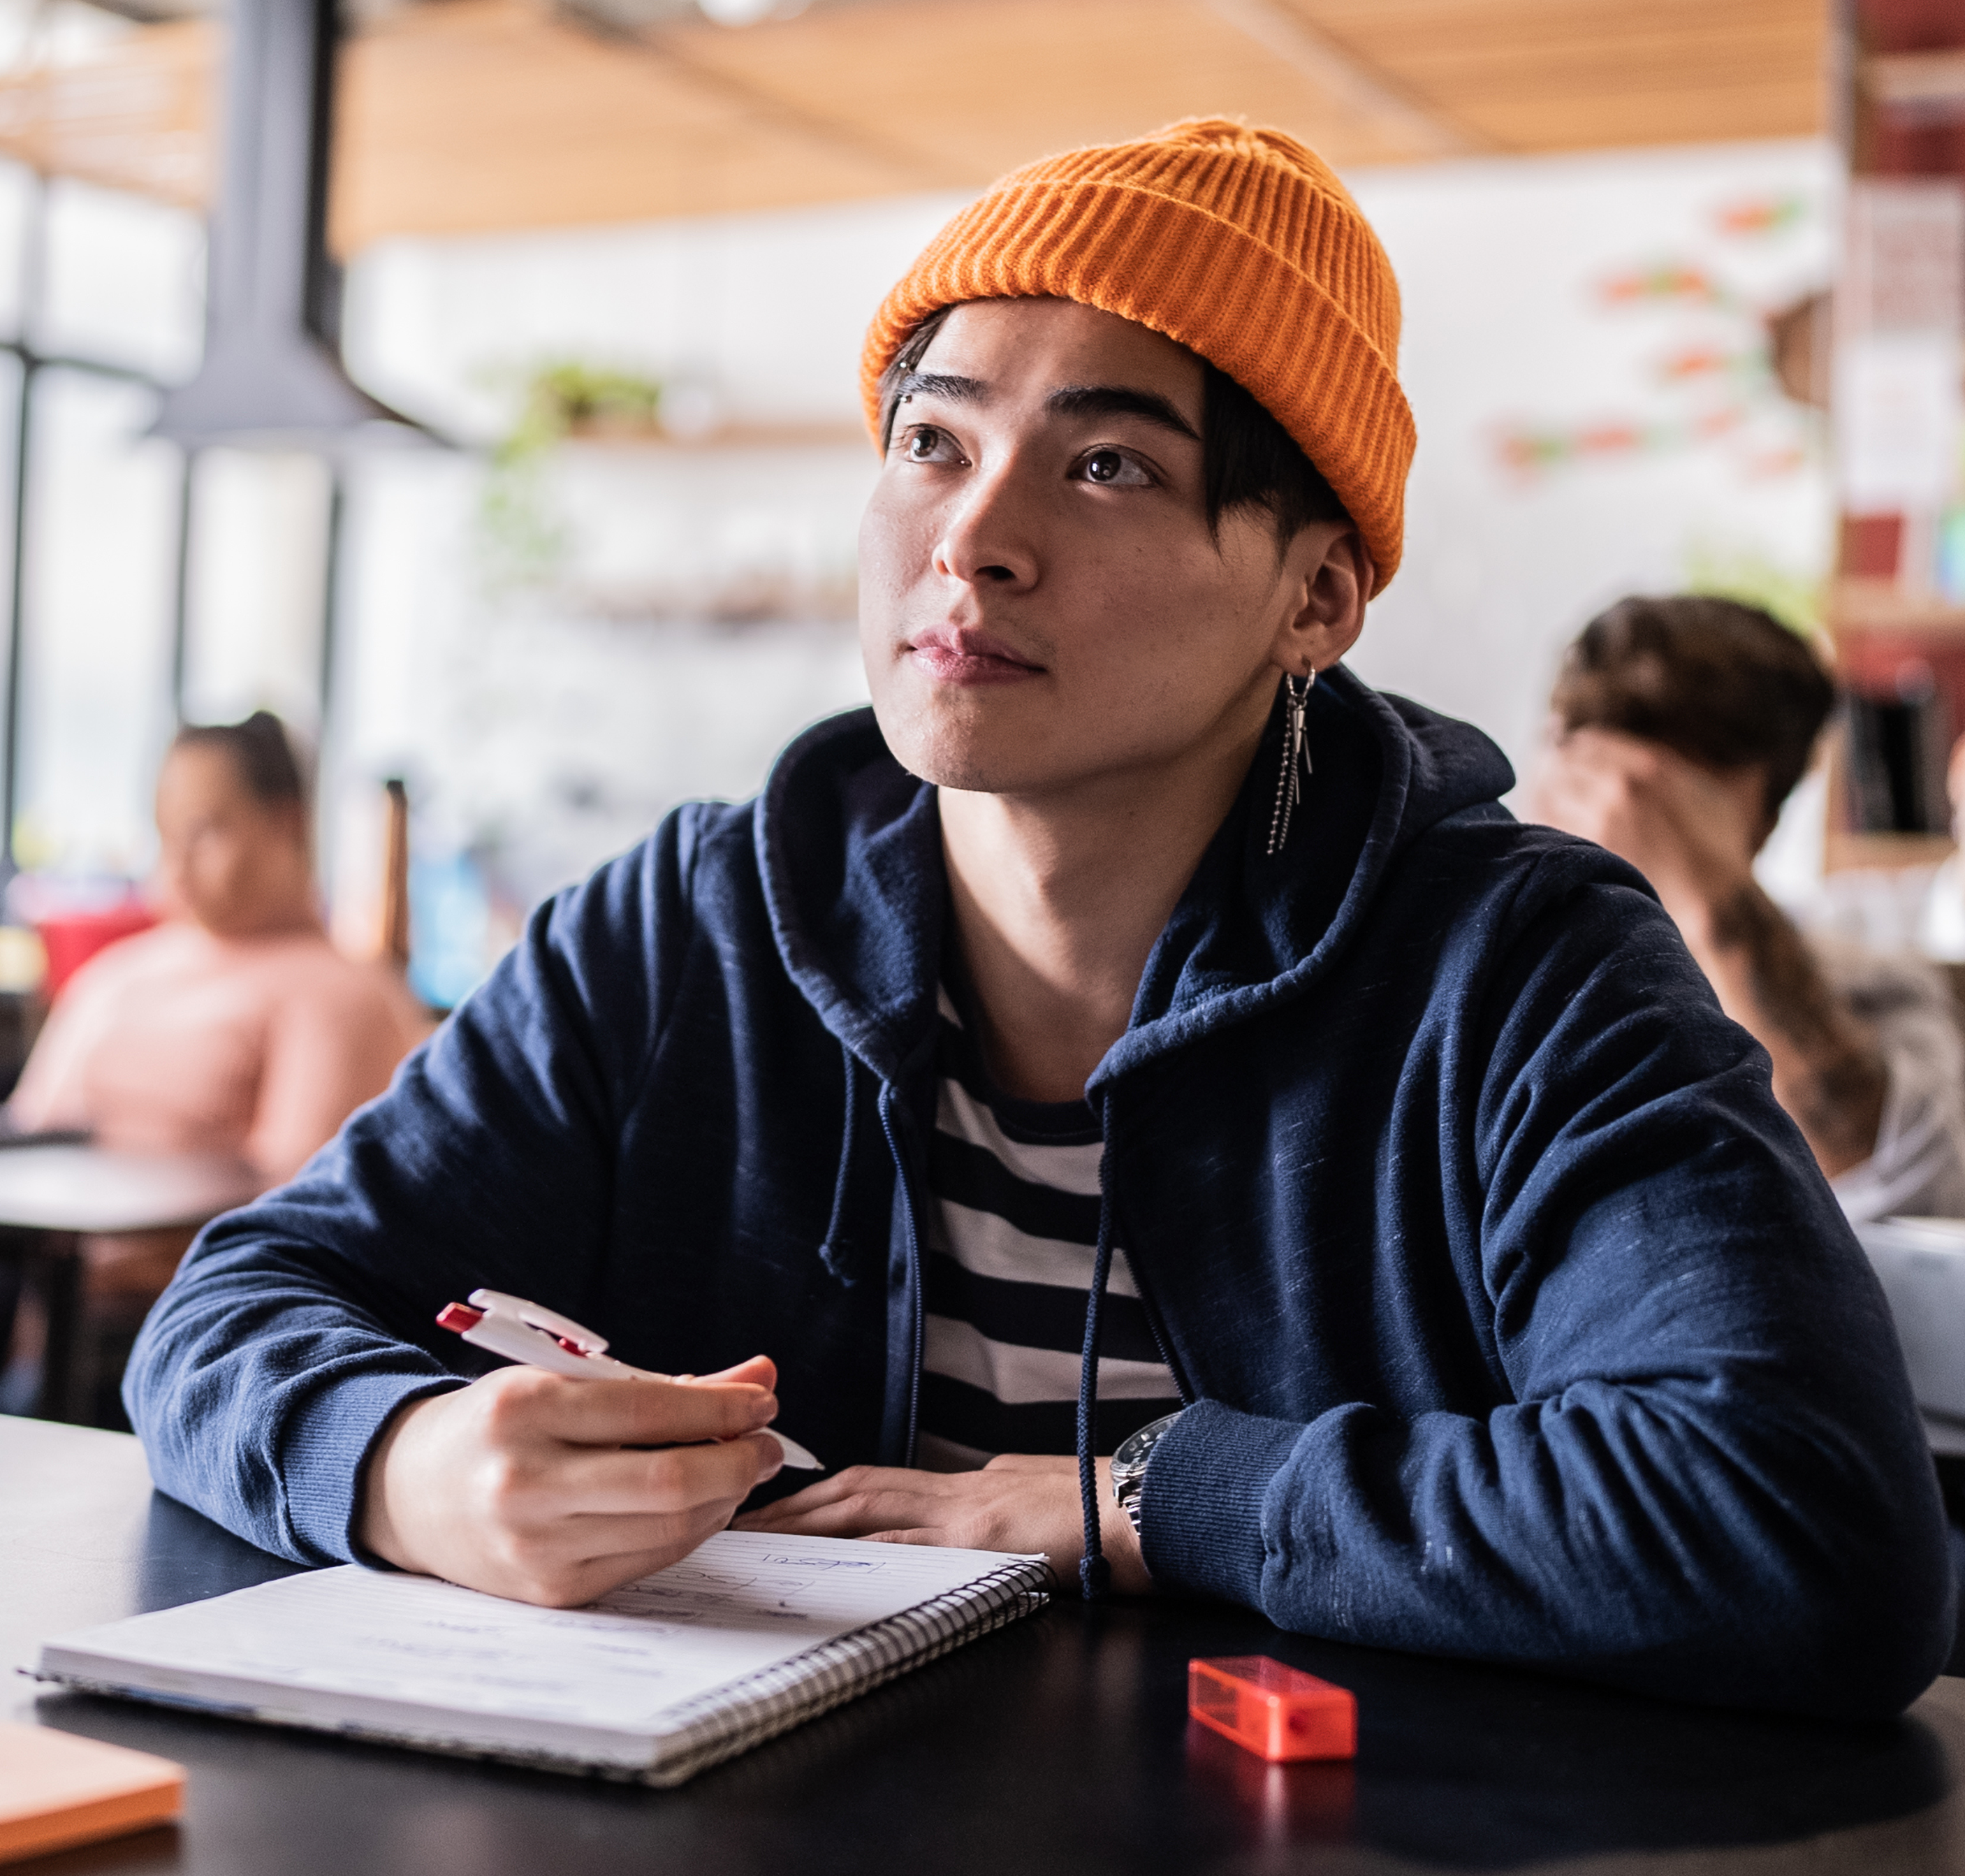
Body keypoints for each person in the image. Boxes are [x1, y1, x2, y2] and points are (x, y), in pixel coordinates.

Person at [126, 122, 1950, 1719]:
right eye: (931, 439)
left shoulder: (1520, 966)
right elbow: (233, 1307)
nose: (969, 538)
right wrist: (398, 1456)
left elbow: (1803, 1525)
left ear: (1315, 593)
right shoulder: (689, 922)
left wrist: (1141, 1497)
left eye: (1105, 466)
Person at [1524, 595, 1965, 1223]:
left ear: (1762, 811)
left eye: (1650, 784)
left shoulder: (1868, 990)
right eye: (1578, 760)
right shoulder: (1473, 971)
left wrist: (1711, 903)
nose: (1607, 803)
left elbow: (1908, 1199)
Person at [9, 712, 430, 1186]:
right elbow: (30, 1130)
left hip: (174, 1253)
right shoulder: (117, 975)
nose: (176, 863)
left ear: (286, 823)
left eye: (203, 831)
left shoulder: (343, 999)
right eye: (166, 834)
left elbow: (291, 1212)